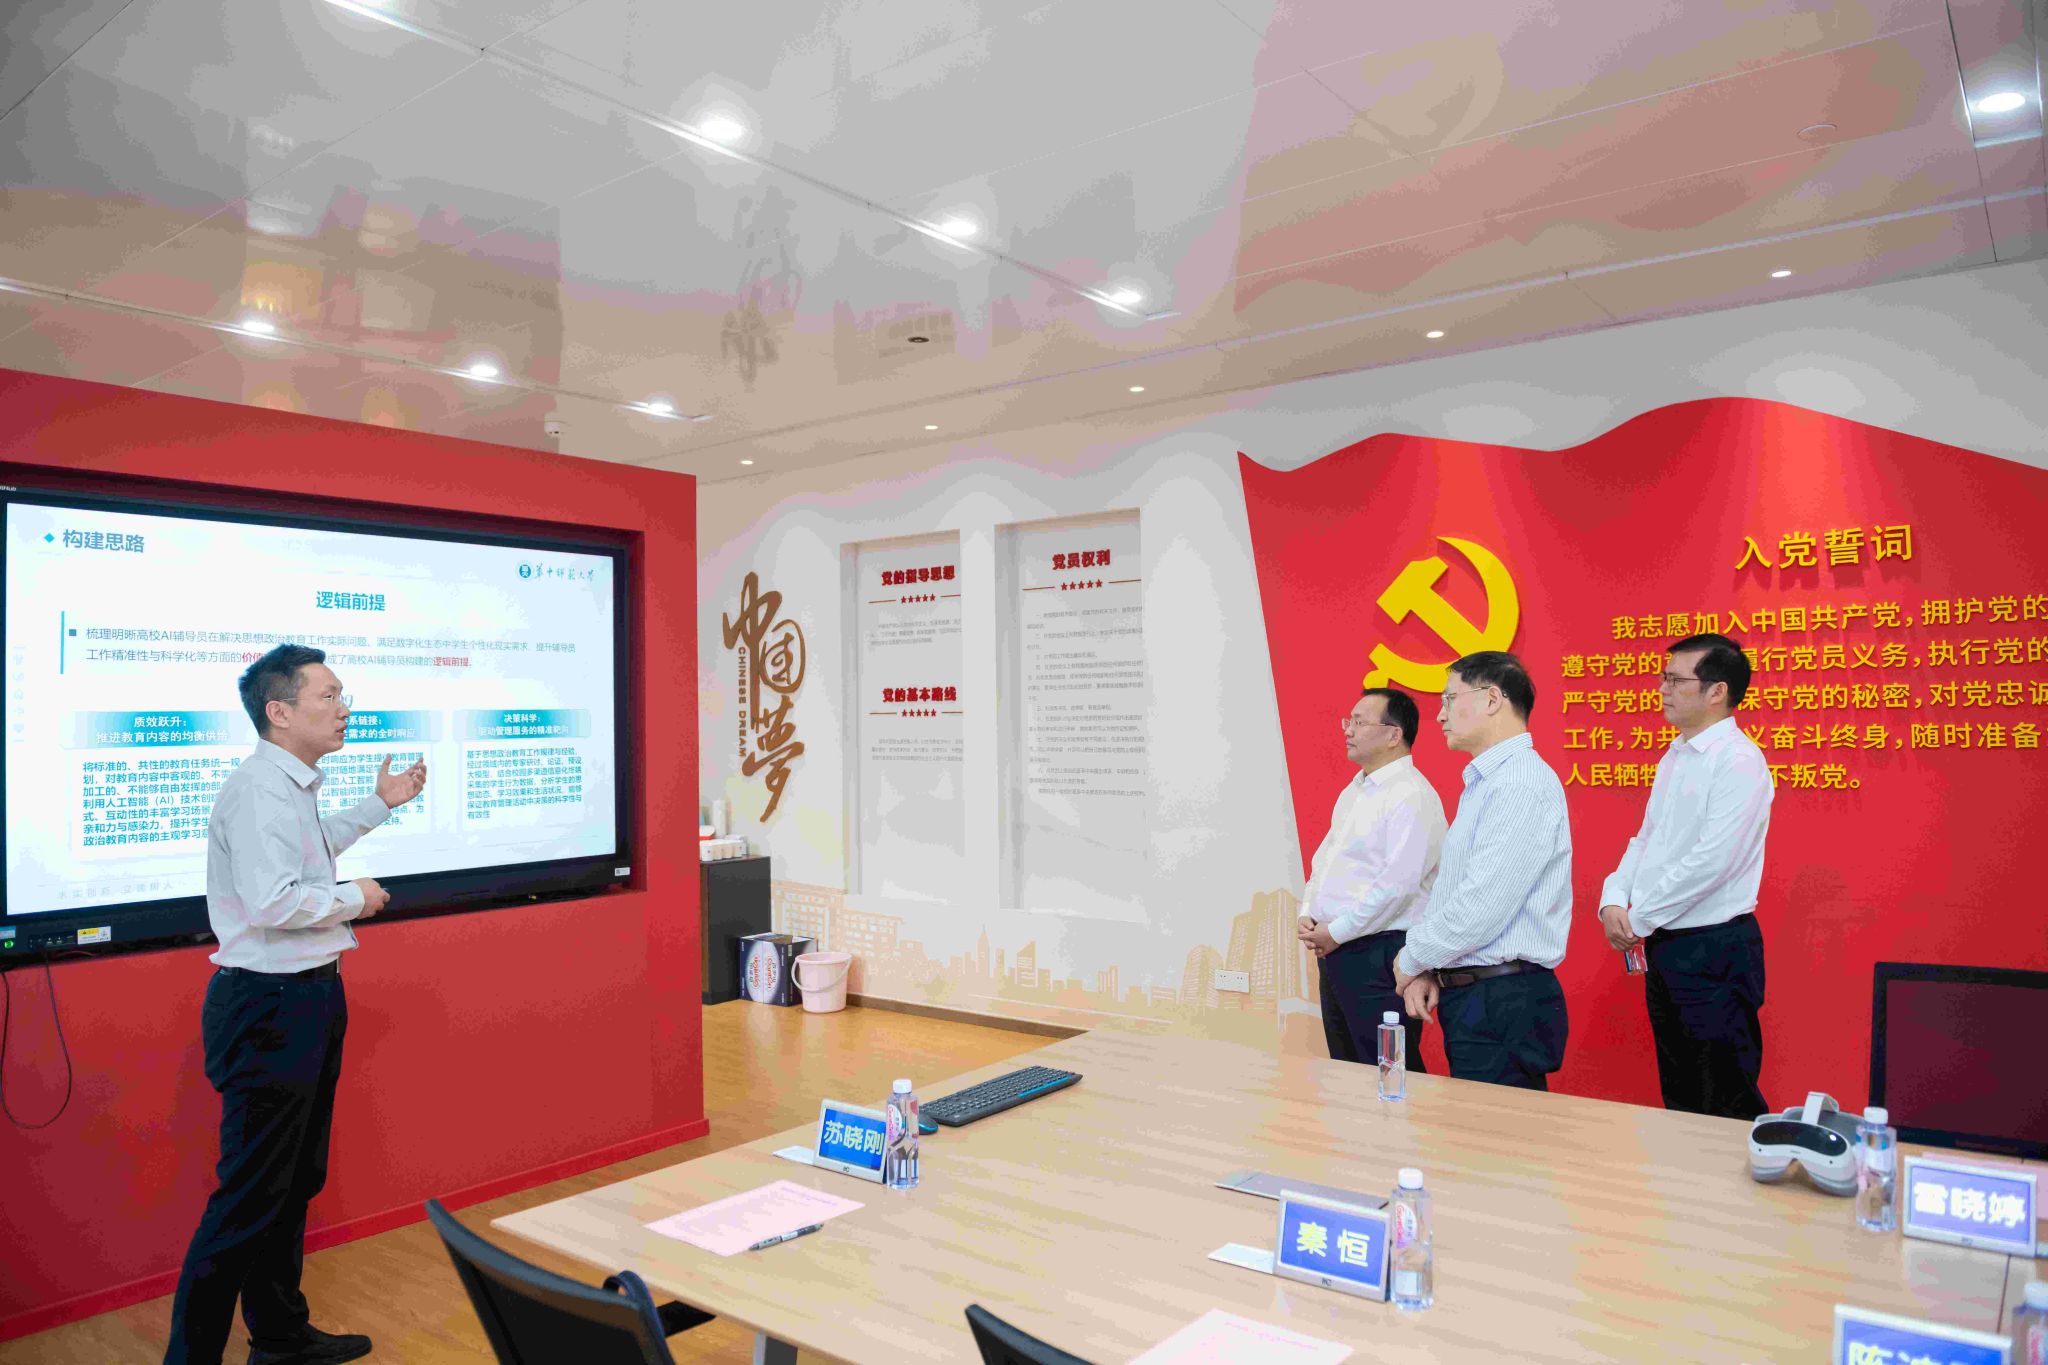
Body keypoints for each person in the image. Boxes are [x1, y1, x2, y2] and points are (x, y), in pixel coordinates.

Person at [166, 644, 426, 1365]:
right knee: (250, 1196)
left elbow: (308, 852)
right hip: (269, 1006)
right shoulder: (258, 790)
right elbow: (273, 900)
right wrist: (356, 898)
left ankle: (279, 1336)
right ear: (279, 711)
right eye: (329, 696)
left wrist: (380, 805)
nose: (345, 709)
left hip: (306, 997)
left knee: (292, 1182)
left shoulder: (290, 786)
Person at [1598, 633, 1773, 1119]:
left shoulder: (1738, 760)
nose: (1663, 689)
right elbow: (1647, 839)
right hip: (1667, 945)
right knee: (1680, 1093)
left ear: (1717, 691)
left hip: (1714, 950)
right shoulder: (1675, 755)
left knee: (1723, 1094)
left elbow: (1713, 861)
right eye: (1664, 678)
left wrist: (1639, 918)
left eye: (1676, 680)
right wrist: (1614, 898)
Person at [1391, 651, 1572, 1090]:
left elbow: (1481, 907)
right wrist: (1430, 968)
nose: (1439, 716)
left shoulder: (1519, 783)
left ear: (1492, 699)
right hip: (1481, 995)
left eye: (1449, 699)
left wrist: (1412, 959)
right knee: (1481, 1128)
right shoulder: (1488, 782)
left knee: (1503, 1129)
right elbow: (1455, 894)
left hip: (1502, 1000)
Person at [1297, 688, 1447, 1070]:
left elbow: (1398, 887)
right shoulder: (1355, 790)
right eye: (1348, 721)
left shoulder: (1412, 795)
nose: (1348, 730)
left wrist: (1337, 931)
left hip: (1380, 954)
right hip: (1337, 950)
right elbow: (1324, 860)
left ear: (1394, 735)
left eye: (1360, 722)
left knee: (1390, 1072)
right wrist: (1308, 912)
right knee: (1347, 1069)